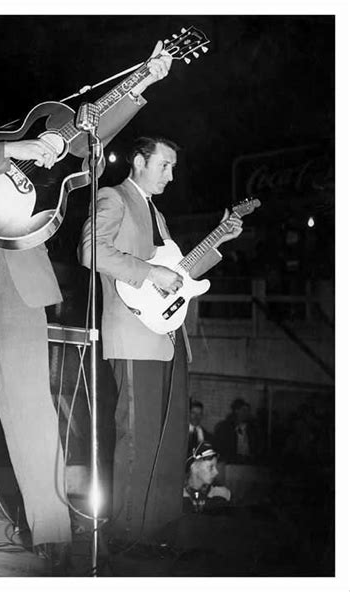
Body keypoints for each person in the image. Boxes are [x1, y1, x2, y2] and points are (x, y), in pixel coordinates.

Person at [0, 45, 172, 575]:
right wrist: (18, 147)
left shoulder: (18, 140)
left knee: (34, 414)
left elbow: (83, 135)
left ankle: (52, 534)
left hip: (22, 286)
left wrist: (142, 82)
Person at [78, 136, 243, 547]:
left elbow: (179, 274)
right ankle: (126, 533)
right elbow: (90, 251)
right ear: (138, 161)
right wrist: (149, 275)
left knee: (167, 440)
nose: (171, 175)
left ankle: (157, 530)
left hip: (167, 335)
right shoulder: (113, 197)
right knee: (137, 435)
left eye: (173, 167)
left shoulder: (156, 214)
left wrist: (220, 239)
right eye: (164, 165)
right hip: (133, 333)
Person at [214, 398, 263, 464]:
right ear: (236, 411)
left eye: (248, 411)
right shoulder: (225, 428)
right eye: (243, 410)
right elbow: (221, 448)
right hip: (231, 464)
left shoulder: (253, 429)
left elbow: (257, 447)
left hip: (250, 464)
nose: (246, 413)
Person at [185, 441, 231, 511]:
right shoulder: (175, 496)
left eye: (216, 467)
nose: (216, 472)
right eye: (211, 467)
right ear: (194, 468)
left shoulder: (223, 495)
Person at [186, 400, 214, 471]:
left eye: (199, 414)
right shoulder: (181, 433)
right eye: (193, 413)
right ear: (188, 413)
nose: (196, 417)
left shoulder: (208, 436)